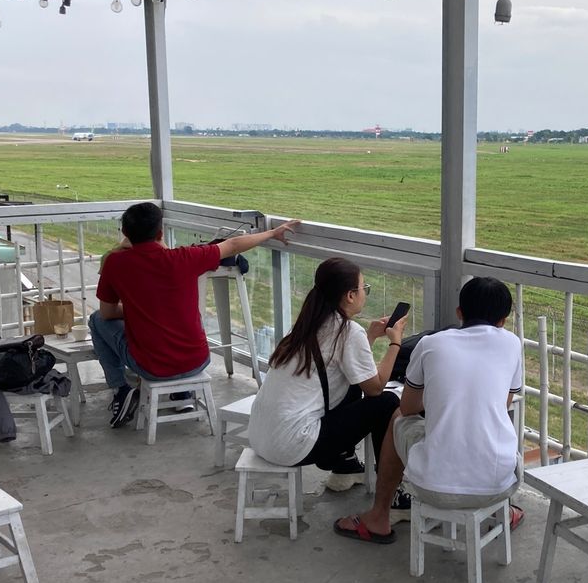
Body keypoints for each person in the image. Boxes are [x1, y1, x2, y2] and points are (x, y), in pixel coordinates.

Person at [334, 276, 523, 544]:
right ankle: (505, 511)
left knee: (396, 418)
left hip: (434, 488)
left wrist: (440, 398)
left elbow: (409, 408)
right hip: (500, 486)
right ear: (504, 320)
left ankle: (379, 516)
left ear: (459, 312)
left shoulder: (431, 344)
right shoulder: (512, 343)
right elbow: (503, 404)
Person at [90, 202, 299, 428]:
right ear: (160, 232)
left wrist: (137, 308)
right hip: (197, 361)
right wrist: (272, 232)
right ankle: (182, 393)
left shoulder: (115, 262)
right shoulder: (186, 258)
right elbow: (233, 244)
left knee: (96, 320)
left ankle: (120, 389)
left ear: (125, 234)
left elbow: (108, 312)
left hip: (151, 367)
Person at [247, 257, 407, 494]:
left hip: (261, 436)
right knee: (387, 403)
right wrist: (395, 343)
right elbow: (375, 388)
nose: (365, 293)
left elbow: (344, 366)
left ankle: (345, 465)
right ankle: (391, 493)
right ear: (350, 295)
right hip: (292, 445)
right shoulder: (349, 332)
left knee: (352, 385)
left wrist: (370, 338)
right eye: (365, 288)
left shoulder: (306, 325)